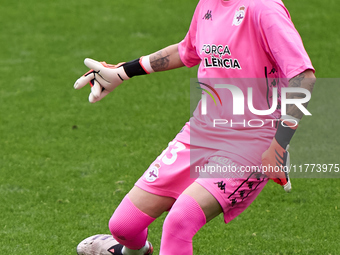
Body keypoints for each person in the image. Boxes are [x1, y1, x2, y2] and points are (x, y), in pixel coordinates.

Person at [74, 0, 316, 254]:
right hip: (201, 132)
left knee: (180, 221)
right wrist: (124, 71)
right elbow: (186, 50)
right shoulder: (207, 4)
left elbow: (303, 77)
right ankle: (133, 252)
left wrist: (280, 144)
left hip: (252, 140)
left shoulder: (264, 8)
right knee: (123, 226)